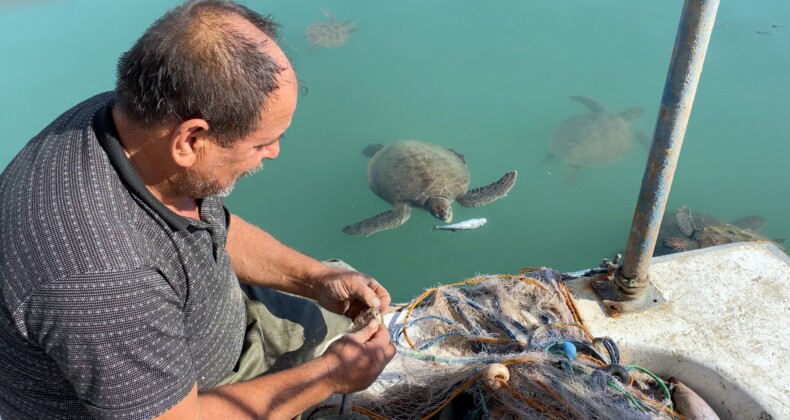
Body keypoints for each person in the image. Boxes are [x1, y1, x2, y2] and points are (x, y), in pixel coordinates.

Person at [0, 0, 396, 418]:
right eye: (261, 143)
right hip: (190, 400)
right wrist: (330, 377)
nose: (275, 153)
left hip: (211, 324)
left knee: (351, 312)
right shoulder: (104, 280)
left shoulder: (130, 119)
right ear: (189, 140)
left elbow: (206, 225)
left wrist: (315, 278)